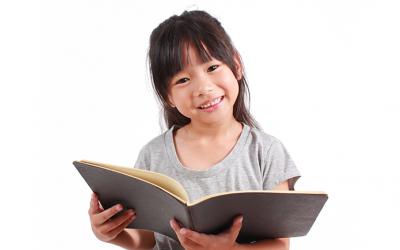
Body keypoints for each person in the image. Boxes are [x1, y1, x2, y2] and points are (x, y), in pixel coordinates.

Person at [88, 10, 301, 250]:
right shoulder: (153, 154)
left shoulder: (267, 152)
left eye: (212, 67)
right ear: (167, 96)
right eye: (183, 80)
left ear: (237, 65)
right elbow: (145, 240)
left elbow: (279, 245)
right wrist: (112, 234)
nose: (203, 87)